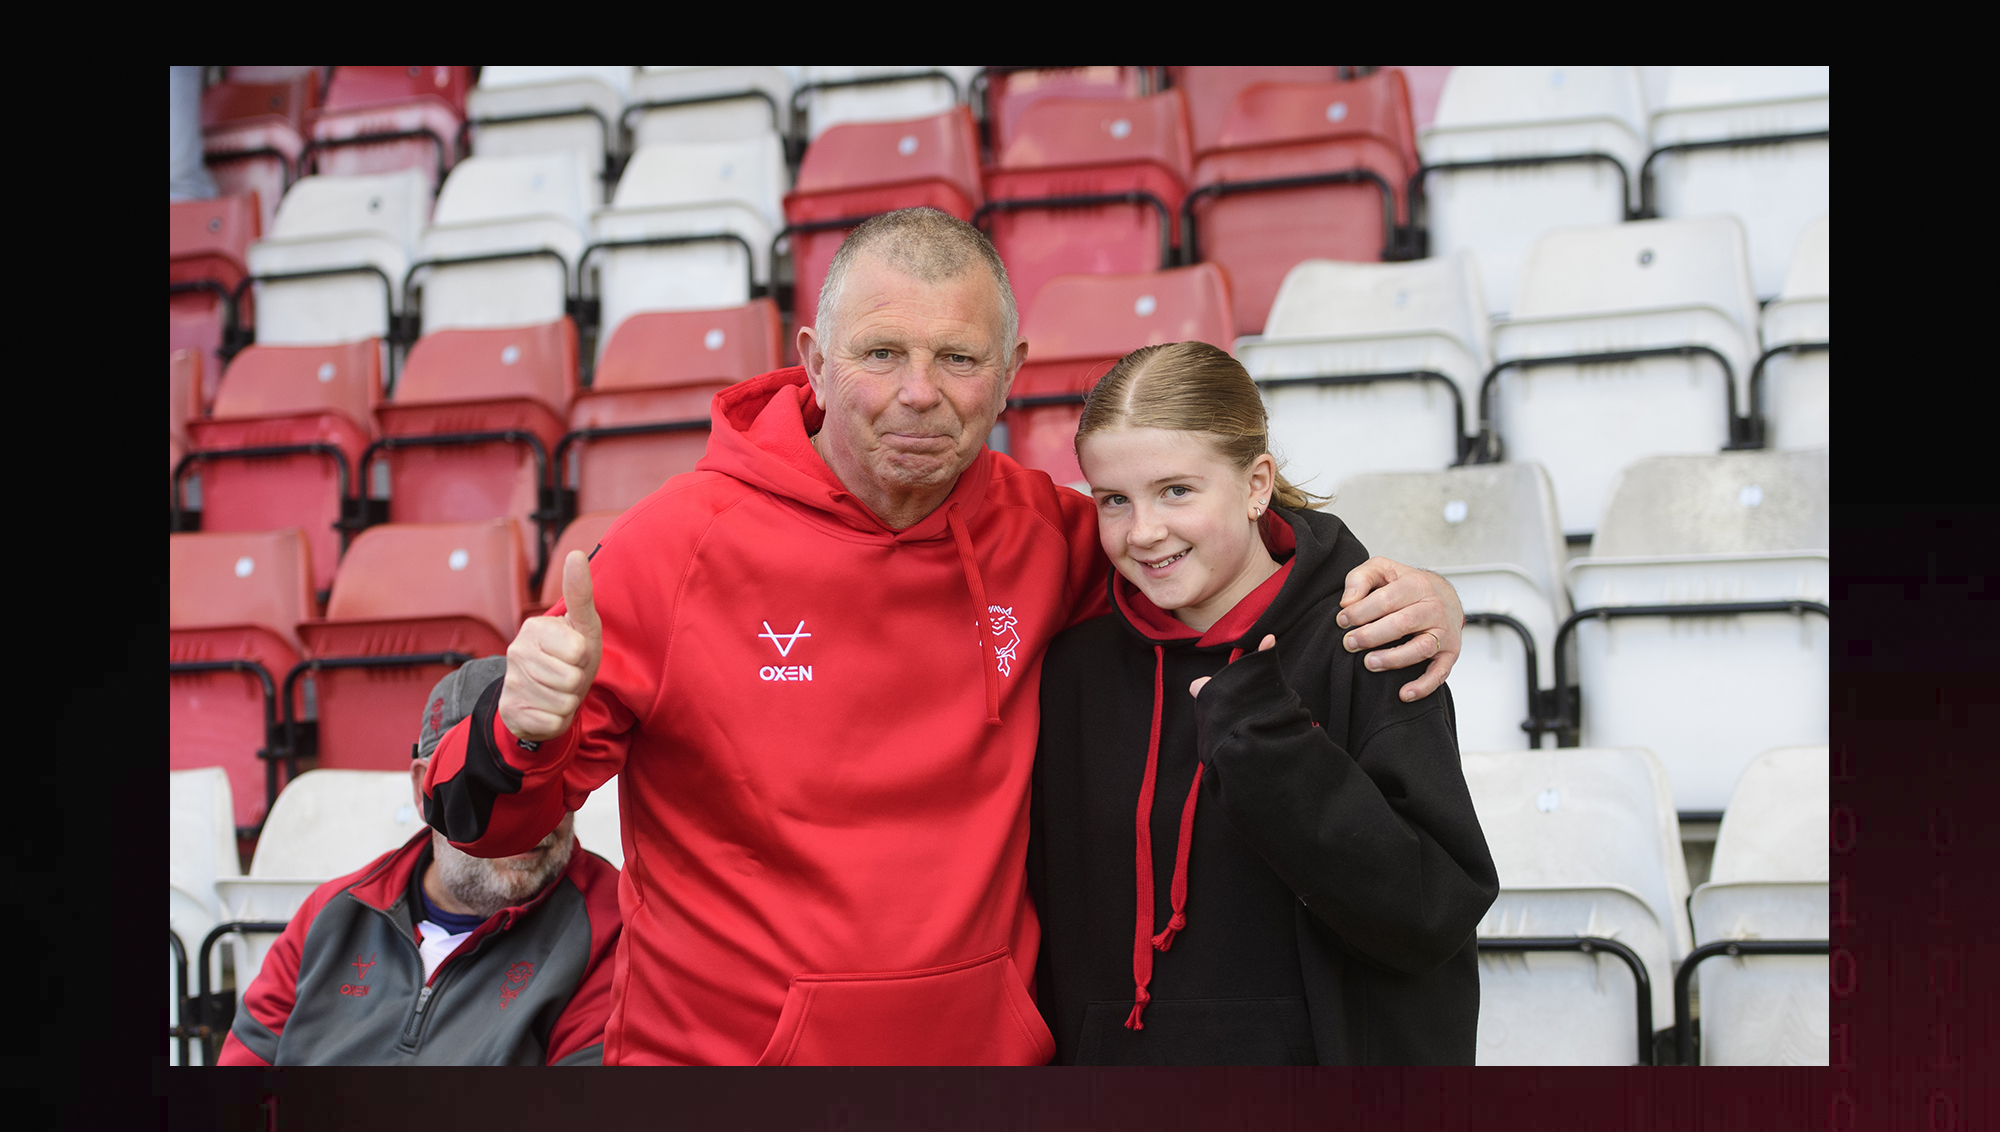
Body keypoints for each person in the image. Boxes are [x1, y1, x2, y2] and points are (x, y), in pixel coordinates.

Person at [422, 207, 1469, 1065]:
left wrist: (1382, 586)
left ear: (1009, 371)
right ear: (813, 361)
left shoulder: (1049, 532)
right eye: (880, 353)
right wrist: (521, 727)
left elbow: (1219, 552)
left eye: (957, 357)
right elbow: (488, 830)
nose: (917, 393)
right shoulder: (671, 549)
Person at [1029, 342, 1498, 1065]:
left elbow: (1430, 914)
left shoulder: (1368, 644)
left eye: (1176, 491)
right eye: (1114, 499)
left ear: (1256, 485)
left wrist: (1272, 744)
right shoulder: (1074, 672)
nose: (1143, 530)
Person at [218, 657, 621, 1066]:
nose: (528, 819)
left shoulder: (608, 927)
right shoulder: (332, 915)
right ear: (422, 789)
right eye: (493, 788)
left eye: (553, 783)